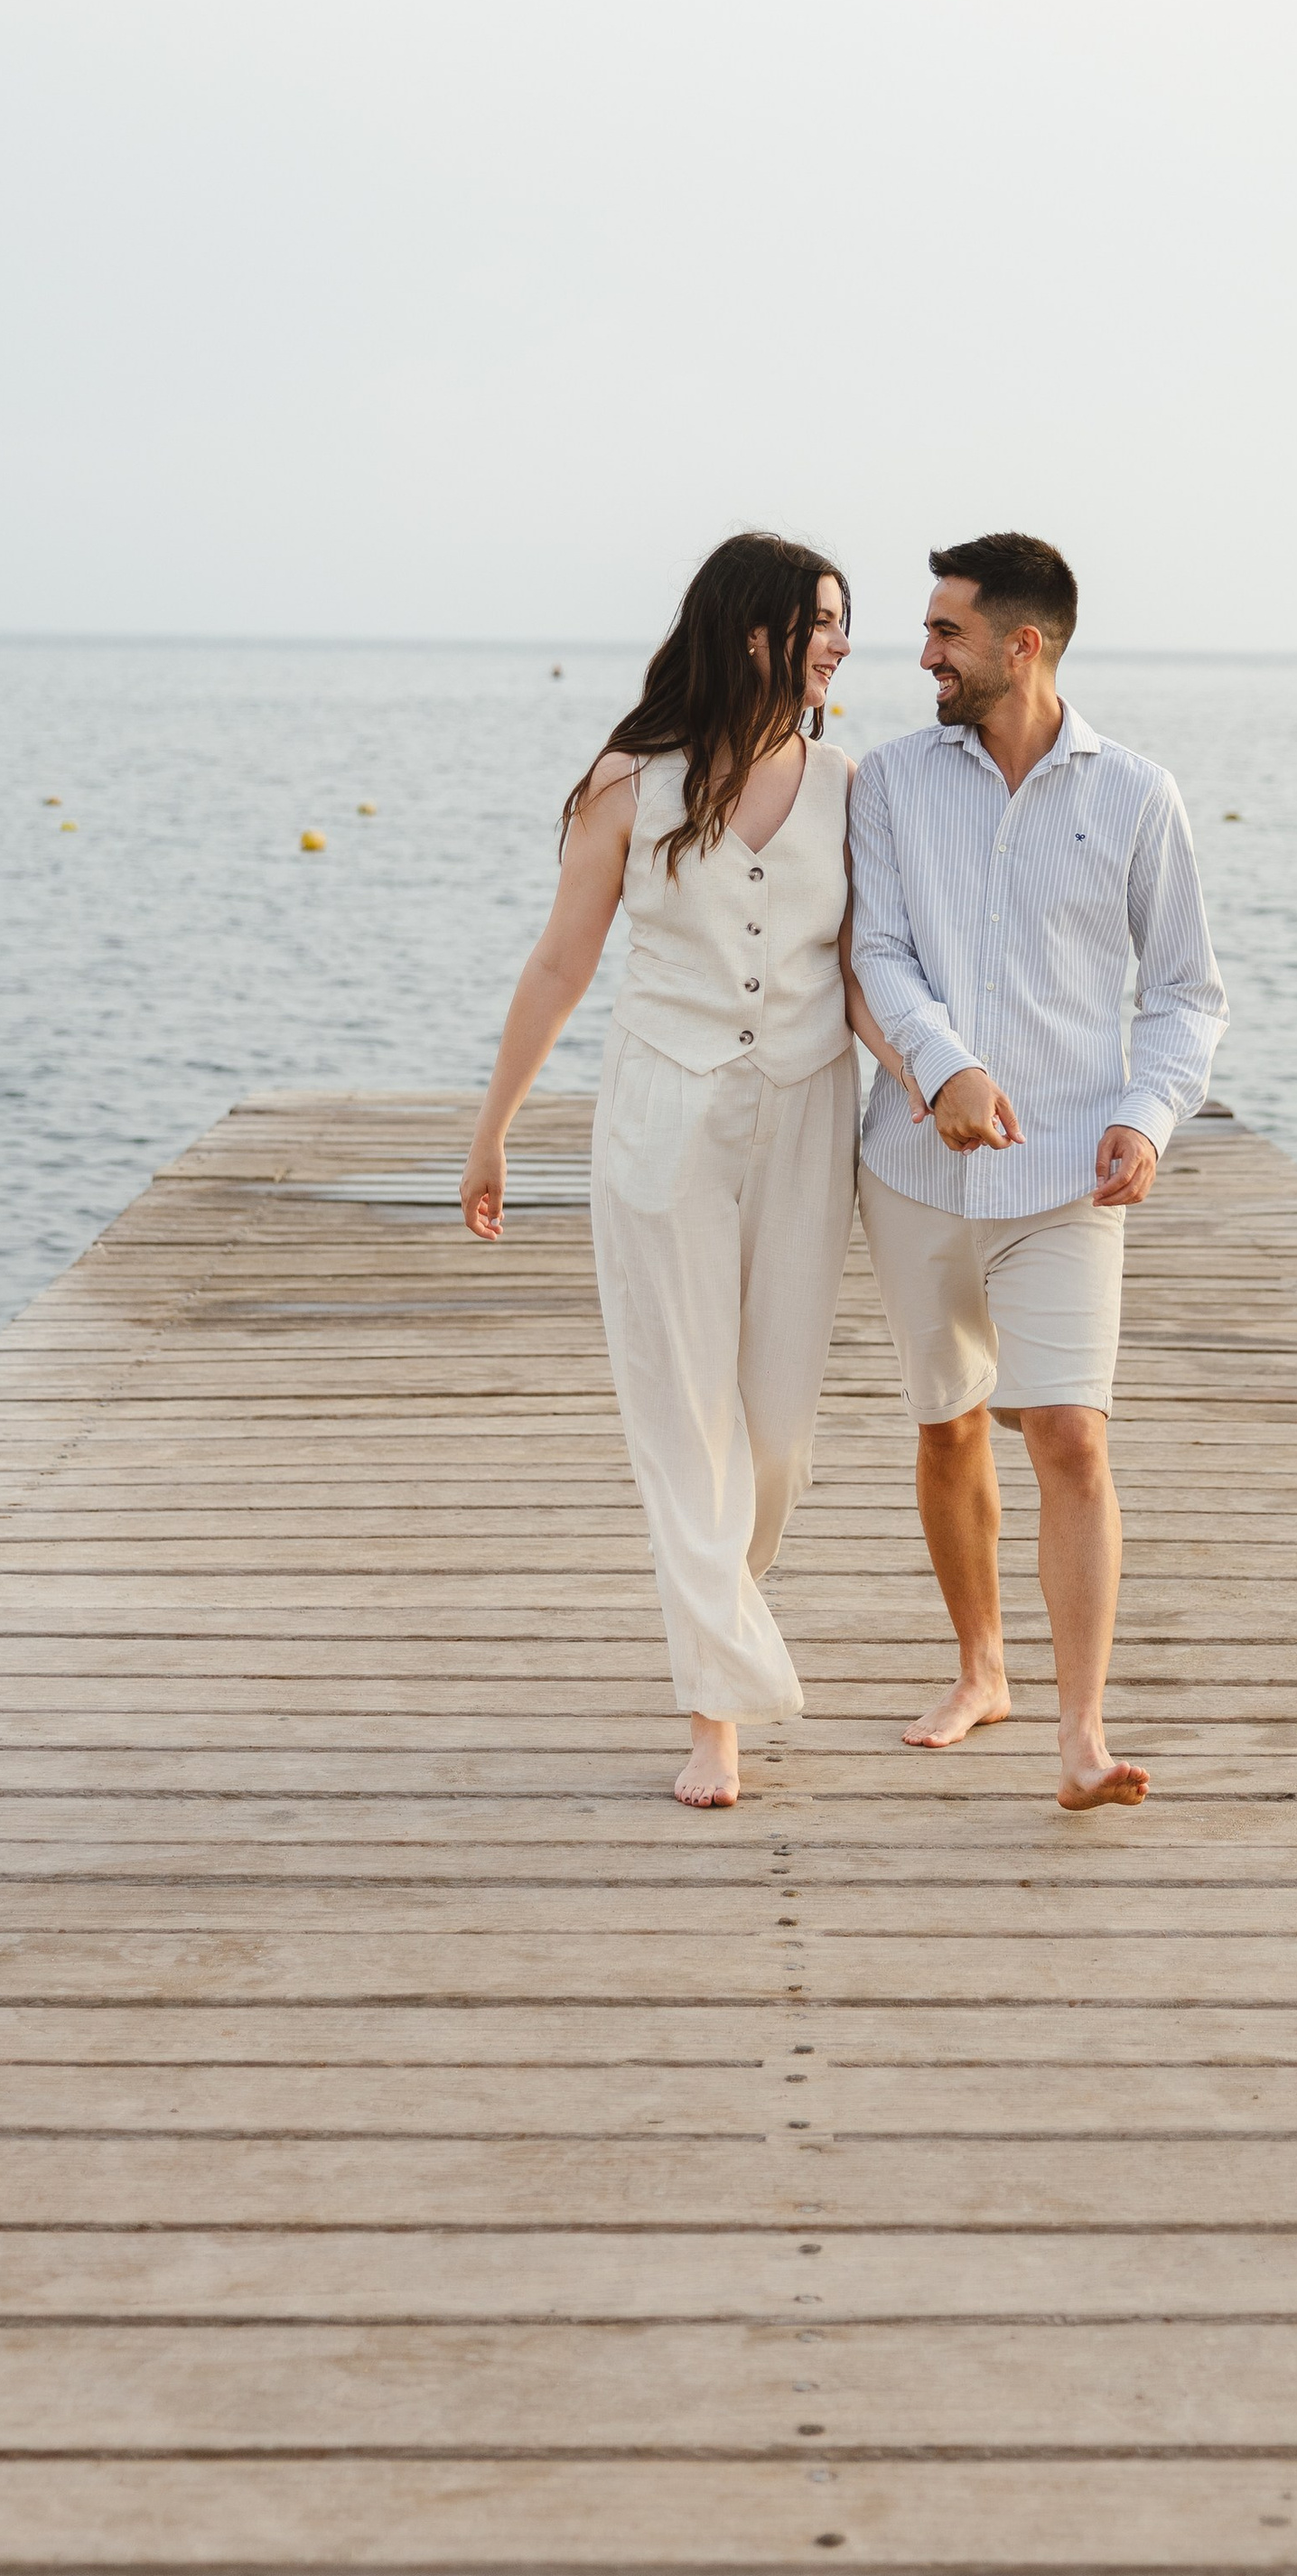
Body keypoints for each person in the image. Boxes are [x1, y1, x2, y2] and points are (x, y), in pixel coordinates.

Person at [458, 532, 910, 1810]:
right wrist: (494, 1129)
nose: (834, 643)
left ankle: (722, 1629)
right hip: (662, 1123)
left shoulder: (849, 785)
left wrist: (931, 1077)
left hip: (808, 1119)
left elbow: (867, 975)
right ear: (746, 627)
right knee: (684, 1422)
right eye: (814, 619)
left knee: (777, 1436)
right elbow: (560, 963)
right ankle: (714, 1713)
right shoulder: (631, 785)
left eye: (842, 623)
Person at [847, 534, 1226, 1809]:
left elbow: (1184, 993)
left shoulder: (1136, 796)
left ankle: (1082, 1731)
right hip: (912, 1167)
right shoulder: (891, 780)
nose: (923, 653)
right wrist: (946, 1068)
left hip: (1069, 1171)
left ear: (1025, 645)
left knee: (1068, 1432)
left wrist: (1151, 1115)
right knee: (950, 1419)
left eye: (945, 631)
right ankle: (979, 1668)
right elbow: (879, 953)